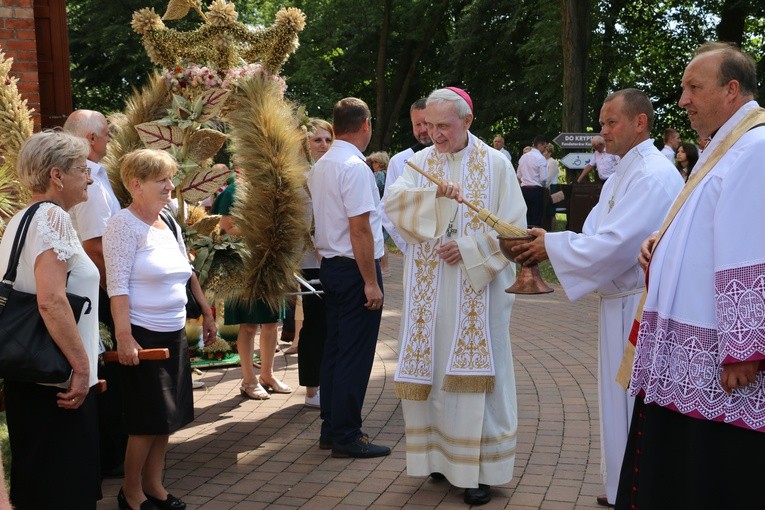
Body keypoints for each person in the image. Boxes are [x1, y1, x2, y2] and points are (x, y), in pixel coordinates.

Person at [510, 89, 684, 508]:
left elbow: (619, 243)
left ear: (640, 122)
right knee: (615, 398)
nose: (602, 132)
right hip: (617, 304)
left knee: (632, 399)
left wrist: (552, 245)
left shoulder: (654, 175)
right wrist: (556, 242)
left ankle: (637, 487)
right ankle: (621, 485)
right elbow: (596, 232)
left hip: (638, 304)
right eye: (602, 123)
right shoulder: (625, 170)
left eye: (610, 123)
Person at [616, 42, 765, 510]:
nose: (683, 100)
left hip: (719, 356)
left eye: (693, 87)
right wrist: (660, 245)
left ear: (732, 90)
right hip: (689, 347)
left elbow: (749, 250)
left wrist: (744, 349)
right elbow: (703, 228)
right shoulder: (726, 147)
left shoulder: (755, 149)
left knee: (709, 471)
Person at [386, 87, 525, 506]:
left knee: (477, 381)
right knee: (432, 373)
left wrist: (467, 249)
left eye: (443, 126)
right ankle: (439, 461)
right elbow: (394, 204)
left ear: (468, 120)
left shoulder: (496, 164)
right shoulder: (421, 161)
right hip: (430, 294)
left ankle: (477, 472)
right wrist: (431, 197)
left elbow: (514, 227)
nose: (435, 135)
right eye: (429, 126)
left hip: (476, 294)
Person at [103, 148, 216, 510]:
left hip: (174, 333)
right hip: (143, 335)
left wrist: (206, 311)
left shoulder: (166, 219)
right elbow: (117, 286)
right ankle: (130, 492)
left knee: (168, 416)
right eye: (162, 180)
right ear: (136, 185)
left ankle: (154, 485)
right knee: (146, 420)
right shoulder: (122, 225)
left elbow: (187, 269)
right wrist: (124, 337)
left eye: (170, 178)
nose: (171, 186)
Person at [0, 131, 100, 508]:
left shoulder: (21, 218)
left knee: (38, 480)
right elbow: (52, 301)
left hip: (30, 372)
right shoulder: (54, 218)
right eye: (81, 169)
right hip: (58, 378)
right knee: (63, 488)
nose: (89, 177)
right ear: (57, 175)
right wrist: (80, 365)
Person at [307, 97, 390, 458]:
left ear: (335, 126)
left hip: (332, 265)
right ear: (366, 124)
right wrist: (370, 281)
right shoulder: (355, 168)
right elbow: (359, 229)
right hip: (354, 268)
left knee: (336, 349)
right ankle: (346, 434)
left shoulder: (323, 165)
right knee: (354, 355)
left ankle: (331, 426)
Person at [63, 108, 128, 478]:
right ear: (90, 138)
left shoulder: (90, 176)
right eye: (106, 134)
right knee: (109, 370)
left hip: (96, 288)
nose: (109, 140)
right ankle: (111, 454)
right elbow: (97, 247)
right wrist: (116, 295)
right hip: (99, 290)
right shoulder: (88, 179)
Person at [211, 180, 293, 400]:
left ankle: (268, 375)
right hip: (243, 265)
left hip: (269, 264)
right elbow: (226, 228)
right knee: (248, 326)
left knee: (272, 322)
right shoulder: (234, 190)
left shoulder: (274, 184)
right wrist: (261, 232)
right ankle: (249, 380)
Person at [296, 118, 333, 407]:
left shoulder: (334, 170)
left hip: (336, 258)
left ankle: (330, 381)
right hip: (310, 260)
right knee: (315, 324)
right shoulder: (297, 176)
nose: (322, 145)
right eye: (316, 139)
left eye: (327, 140)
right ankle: (312, 389)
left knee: (334, 324)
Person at [381, 98, 432, 253]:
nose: (422, 129)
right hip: (415, 248)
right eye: (417, 124)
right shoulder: (400, 161)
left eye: (426, 122)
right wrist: (408, 247)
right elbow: (387, 209)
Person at [516, 134, 548, 227]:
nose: (545, 149)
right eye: (544, 146)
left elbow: (518, 174)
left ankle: (525, 236)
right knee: (536, 217)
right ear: (540, 145)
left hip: (524, 190)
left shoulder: (523, 157)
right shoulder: (541, 158)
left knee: (526, 216)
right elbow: (543, 178)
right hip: (536, 190)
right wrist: (544, 186)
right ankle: (534, 237)